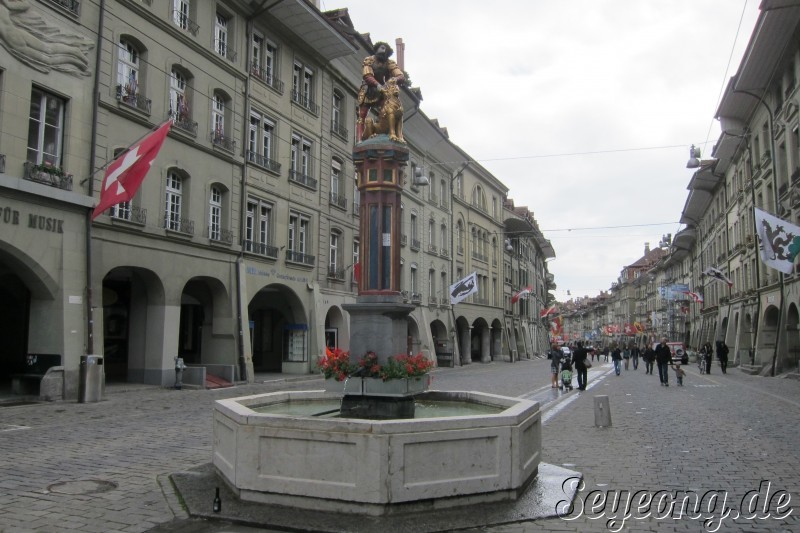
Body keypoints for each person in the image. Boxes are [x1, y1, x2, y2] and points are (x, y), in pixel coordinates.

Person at [356, 41, 405, 140]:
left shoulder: (389, 63)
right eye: (382, 48)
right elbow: (367, 76)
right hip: (368, 89)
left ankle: (390, 133)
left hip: (382, 90)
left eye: (386, 50)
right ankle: (359, 139)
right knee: (362, 115)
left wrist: (395, 79)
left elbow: (401, 76)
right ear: (377, 49)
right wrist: (378, 85)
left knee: (388, 111)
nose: (384, 51)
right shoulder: (369, 60)